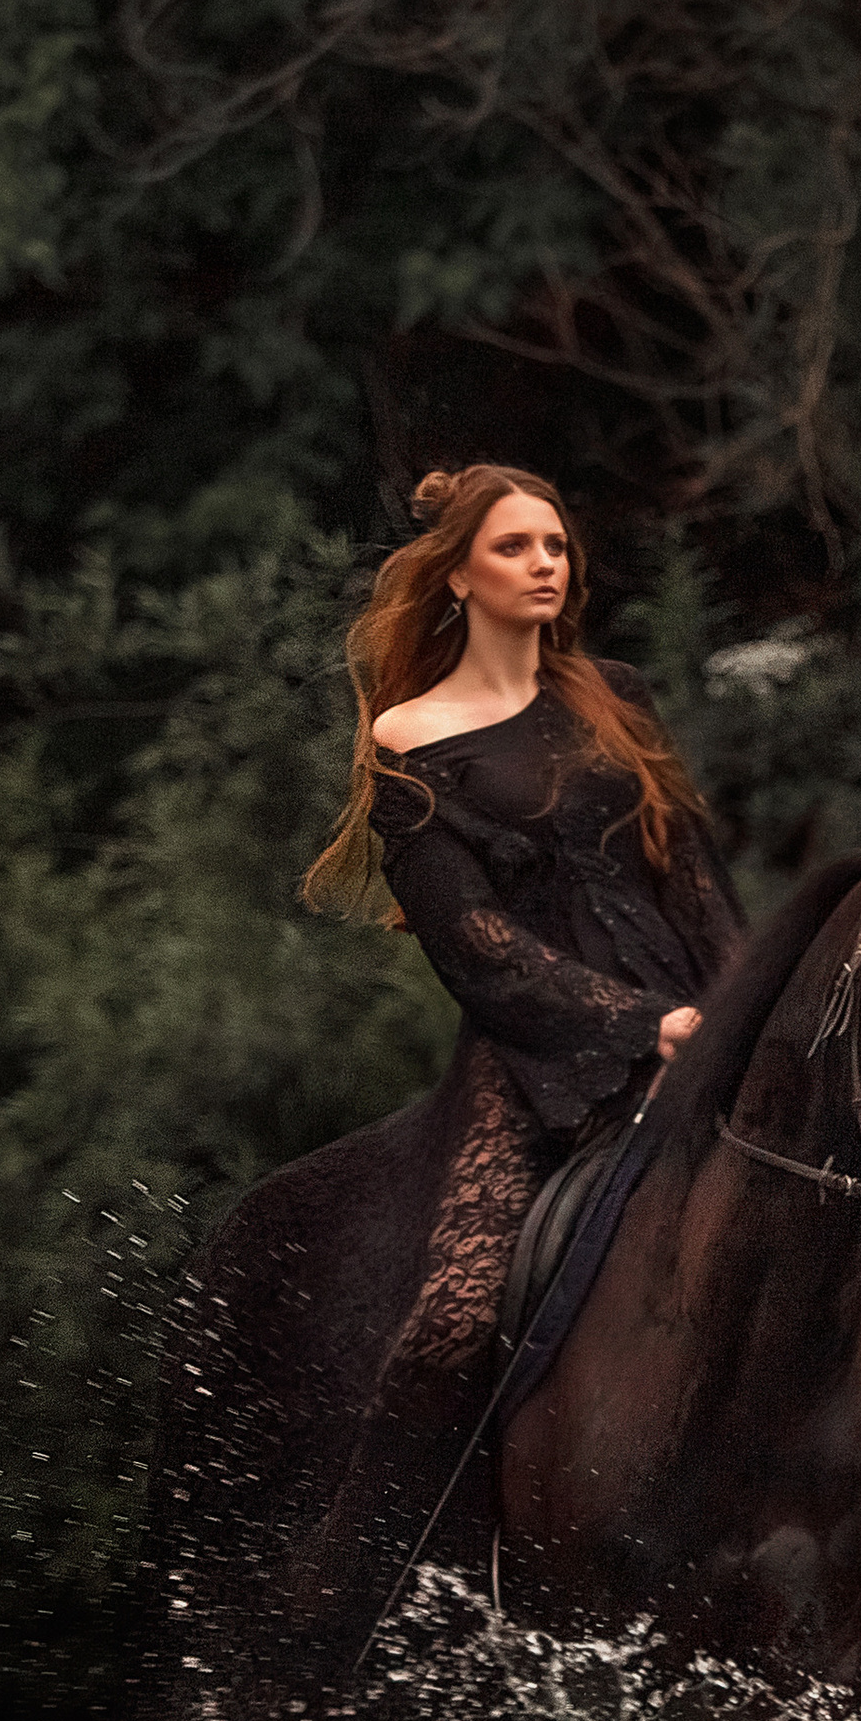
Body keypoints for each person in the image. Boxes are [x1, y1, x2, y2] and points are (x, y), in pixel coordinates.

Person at [296, 464, 746, 1469]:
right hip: (535, 1060)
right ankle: (418, 1580)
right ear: (455, 576)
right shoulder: (408, 741)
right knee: (450, 1323)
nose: (543, 563)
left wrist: (738, 1013)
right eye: (513, 546)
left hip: (701, 1027)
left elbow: (693, 882)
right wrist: (645, 1026)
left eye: (553, 544)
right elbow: (477, 948)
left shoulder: (615, 696)